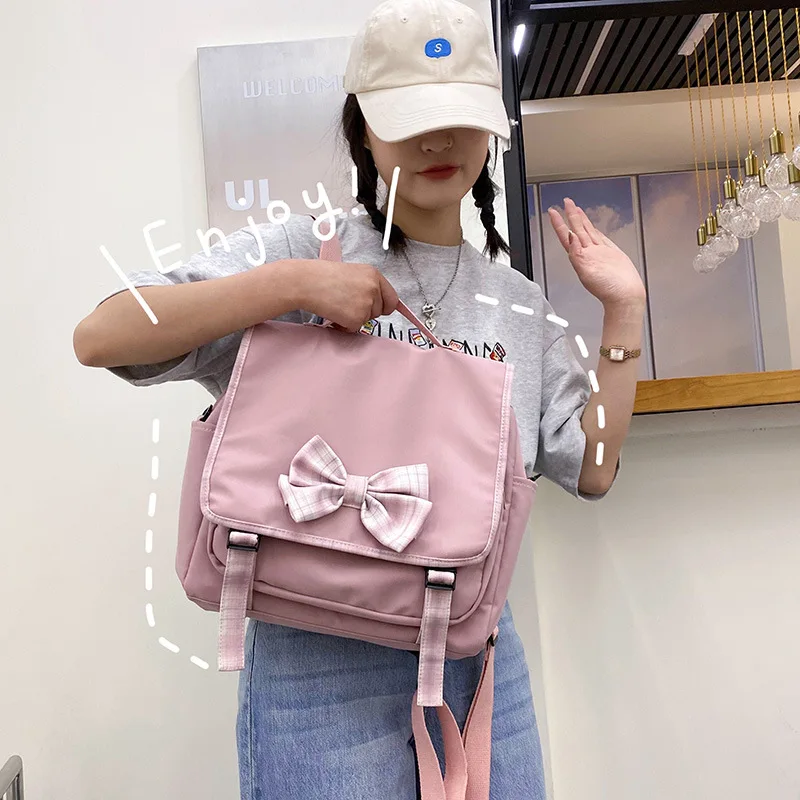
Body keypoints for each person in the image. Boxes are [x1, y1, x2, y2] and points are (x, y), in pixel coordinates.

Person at [73, 0, 646, 796]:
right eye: (411, 120)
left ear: (489, 131)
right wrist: (292, 284)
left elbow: (591, 467)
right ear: (363, 131)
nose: (439, 142)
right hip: (313, 656)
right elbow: (102, 336)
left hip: (473, 651)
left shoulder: (516, 304)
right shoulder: (302, 251)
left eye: (459, 119)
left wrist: (623, 312)